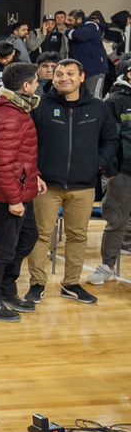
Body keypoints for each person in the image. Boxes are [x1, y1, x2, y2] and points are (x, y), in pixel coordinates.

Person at [23, 58, 117, 307]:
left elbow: (110, 140)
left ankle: (71, 284)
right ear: (52, 78)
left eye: (70, 73)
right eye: (59, 74)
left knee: (78, 235)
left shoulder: (98, 108)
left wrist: (97, 163)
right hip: (46, 185)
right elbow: (27, 141)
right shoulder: (40, 106)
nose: (64, 78)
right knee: (41, 235)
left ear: (82, 77)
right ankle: (37, 284)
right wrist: (34, 173)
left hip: (83, 185)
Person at [0, 63, 45, 321]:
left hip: (20, 189)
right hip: (5, 195)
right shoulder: (9, 115)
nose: (38, 85)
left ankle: (6, 288)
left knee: (28, 237)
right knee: (3, 249)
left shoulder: (17, 109)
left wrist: (35, 176)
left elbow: (20, 155)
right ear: (26, 86)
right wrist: (14, 199)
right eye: (36, 81)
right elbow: (2, 165)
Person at [88, 68, 131, 286]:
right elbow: (107, 139)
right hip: (123, 171)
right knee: (116, 221)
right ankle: (107, 266)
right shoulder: (114, 101)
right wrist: (110, 171)